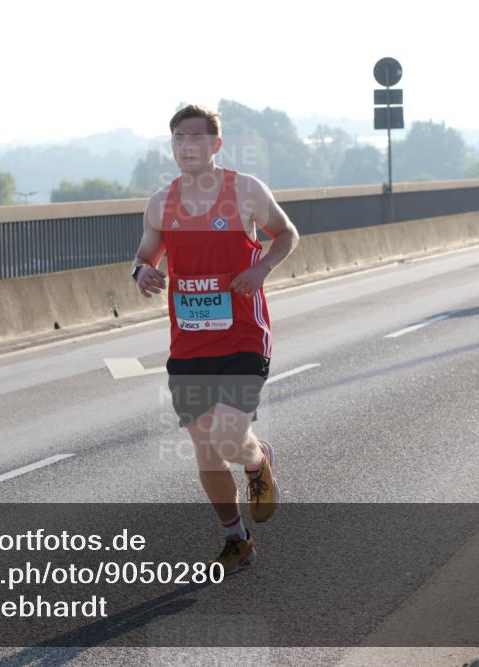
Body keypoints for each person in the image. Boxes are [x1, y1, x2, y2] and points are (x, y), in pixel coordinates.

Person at [131, 104, 299, 574]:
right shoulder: (161, 203)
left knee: (228, 439)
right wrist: (142, 271)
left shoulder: (244, 190)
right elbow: (145, 254)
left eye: (197, 138)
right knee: (205, 450)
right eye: (179, 139)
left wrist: (260, 268)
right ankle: (235, 538)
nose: (187, 146)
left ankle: (257, 459)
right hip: (188, 345)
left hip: (243, 336)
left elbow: (286, 234)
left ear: (216, 145)